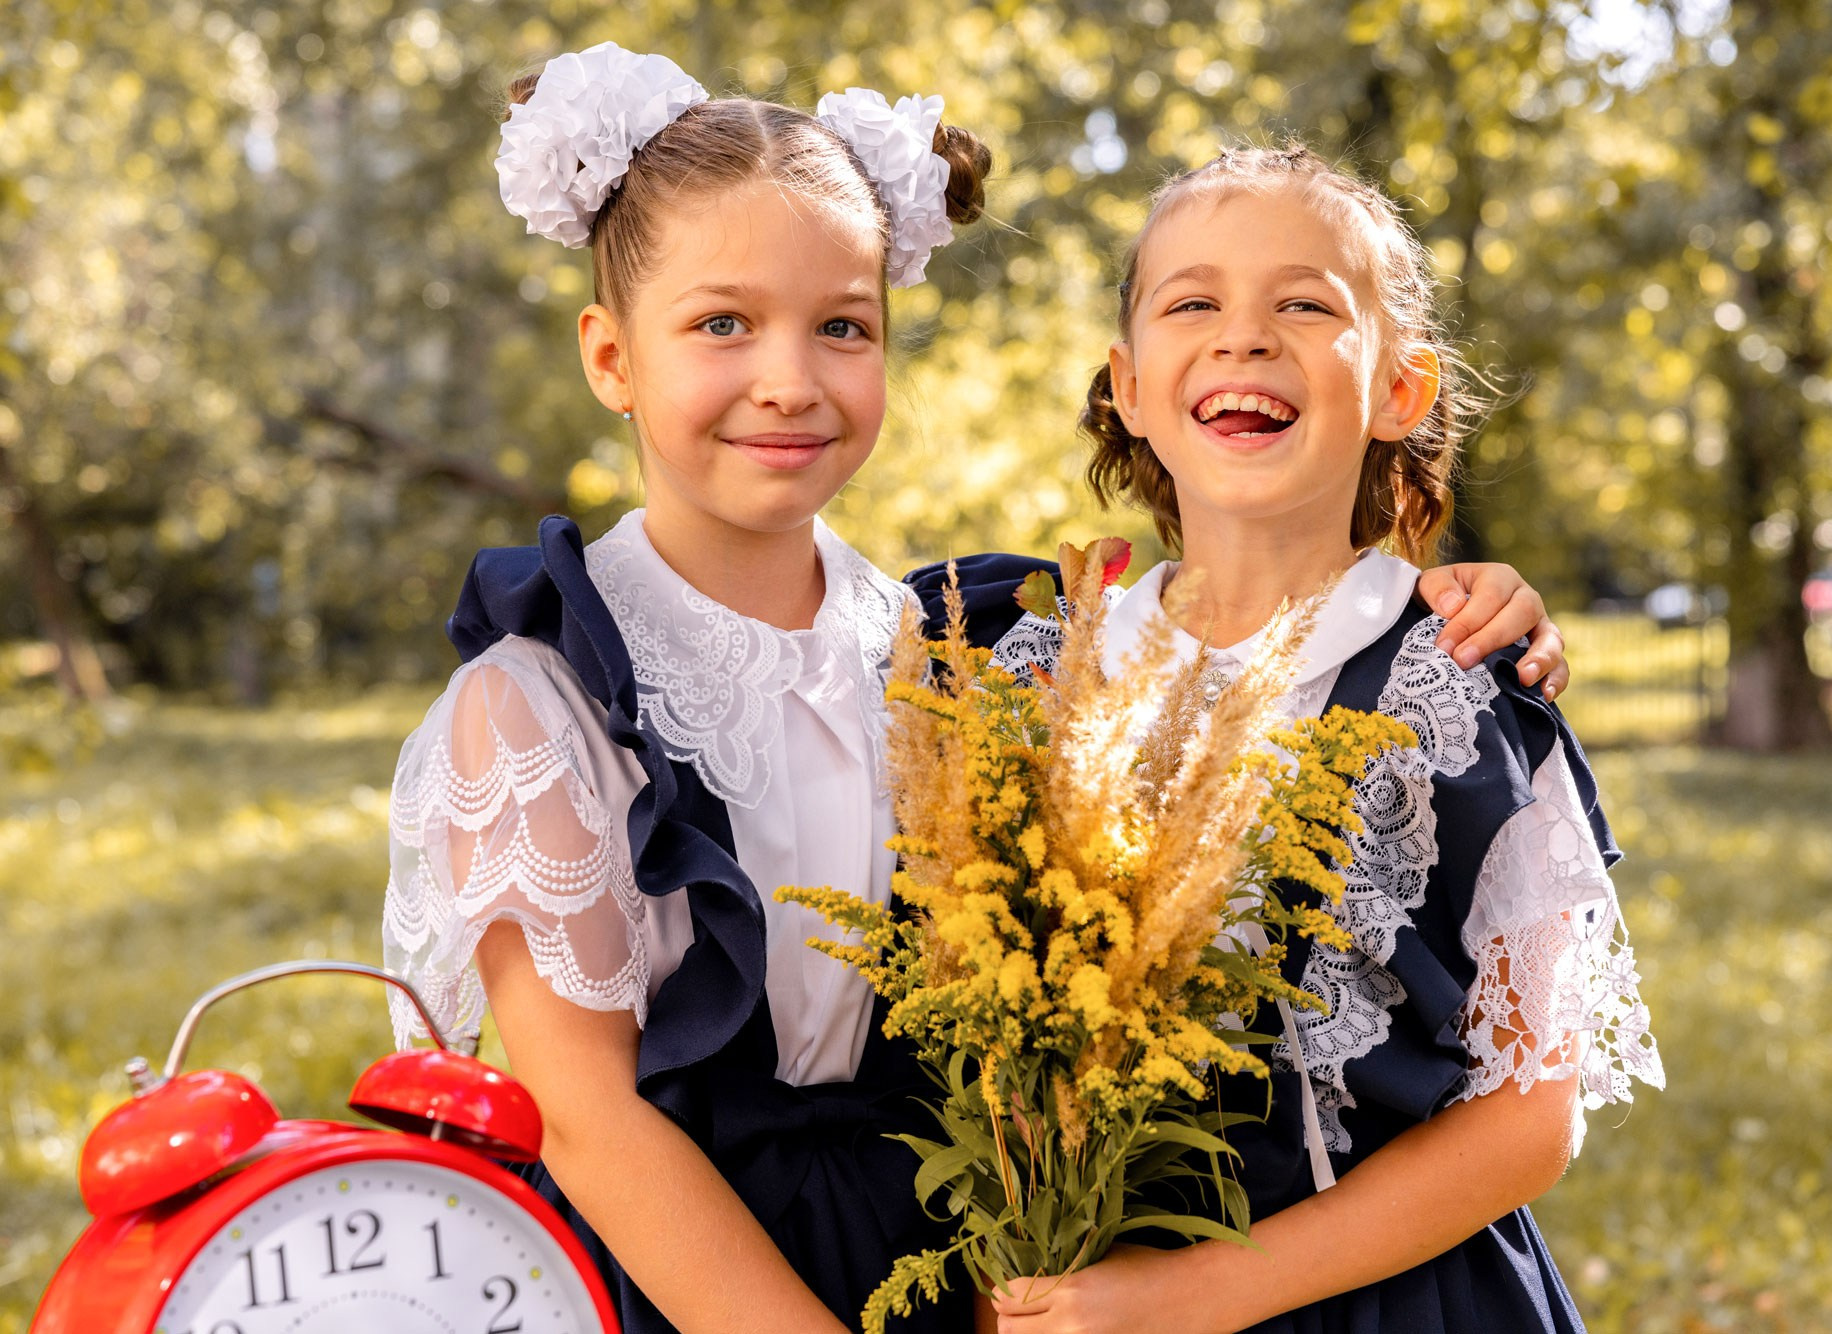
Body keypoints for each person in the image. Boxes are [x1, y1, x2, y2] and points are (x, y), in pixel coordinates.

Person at [383, 49, 1577, 1332]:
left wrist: (1455, 598)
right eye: (721, 323)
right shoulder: (540, 701)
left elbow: (1229, 632)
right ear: (611, 358)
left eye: (841, 325)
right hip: (696, 1283)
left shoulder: (943, 647)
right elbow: (586, 1114)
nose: (787, 378)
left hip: (973, 1269)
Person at [934, 145, 1665, 1333]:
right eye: (1192, 302)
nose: (1242, 337)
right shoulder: (1021, 668)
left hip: (1380, 1302)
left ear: (1399, 391)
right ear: (1125, 382)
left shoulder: (1457, 684)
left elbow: (1531, 1119)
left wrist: (1191, 1297)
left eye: (1304, 303)